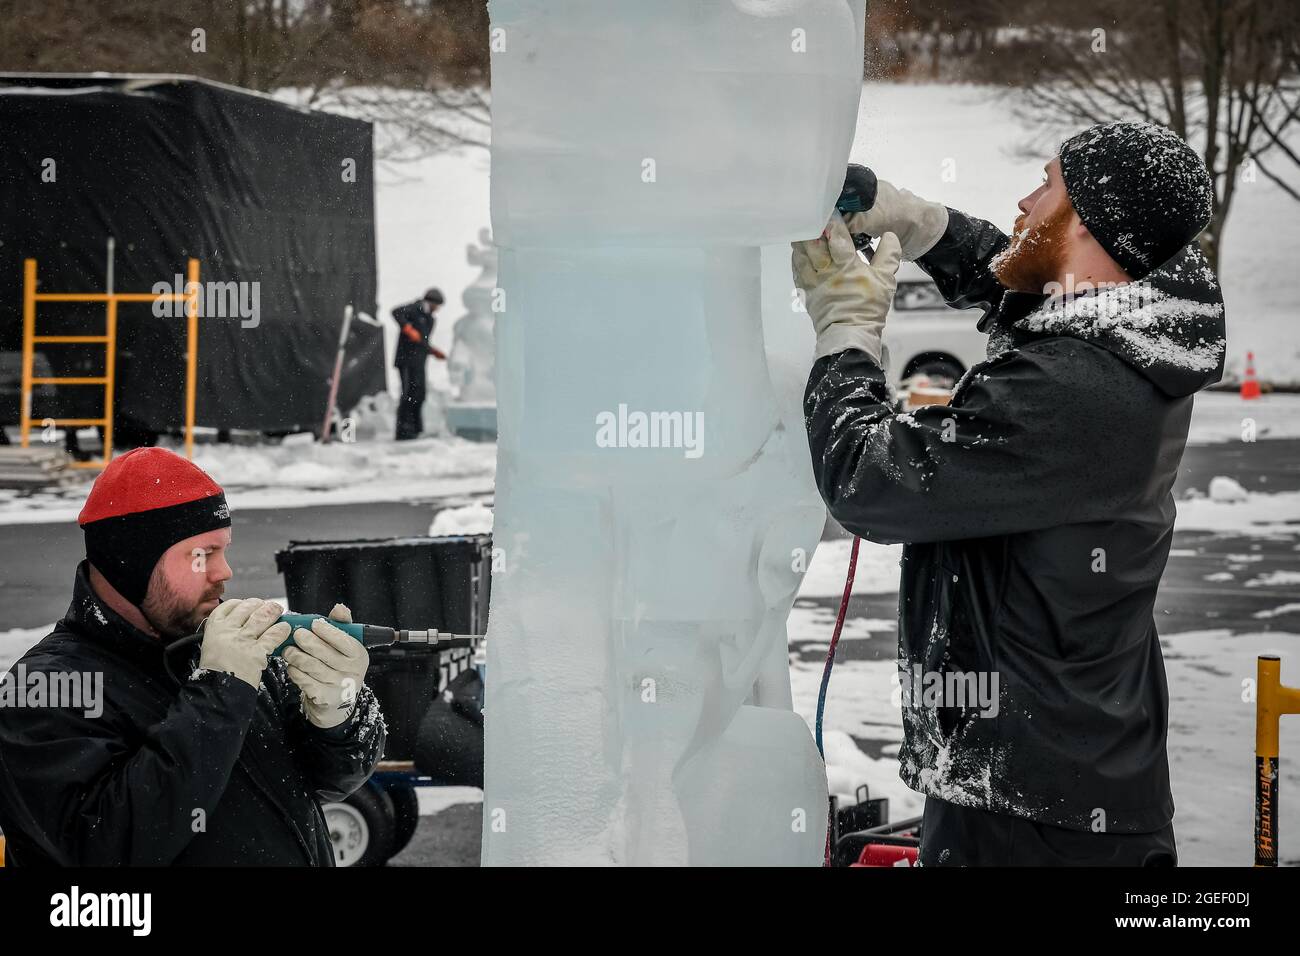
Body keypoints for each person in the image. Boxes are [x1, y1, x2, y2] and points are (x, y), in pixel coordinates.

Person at [792, 121, 1225, 865]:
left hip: (1029, 808)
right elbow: (1026, 283)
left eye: (1047, 183)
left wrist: (845, 335)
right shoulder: (1129, 336)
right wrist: (925, 226)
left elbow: (868, 481)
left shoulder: (1071, 388)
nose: (1026, 199)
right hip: (1064, 779)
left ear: (1089, 221)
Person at [0, 447, 385, 865]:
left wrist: (337, 711)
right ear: (132, 563)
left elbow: (325, 779)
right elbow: (105, 846)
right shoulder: (44, 691)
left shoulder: (223, 647)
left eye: (224, 550)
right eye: (202, 554)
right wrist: (219, 692)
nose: (224, 572)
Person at [392, 287, 445, 440]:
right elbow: (396, 312)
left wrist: (433, 351)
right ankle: (403, 430)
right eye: (437, 305)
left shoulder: (430, 319)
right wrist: (407, 328)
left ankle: (416, 428)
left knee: (420, 394)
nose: (438, 309)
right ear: (431, 302)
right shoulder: (414, 309)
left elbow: (421, 341)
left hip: (419, 361)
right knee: (408, 393)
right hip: (406, 360)